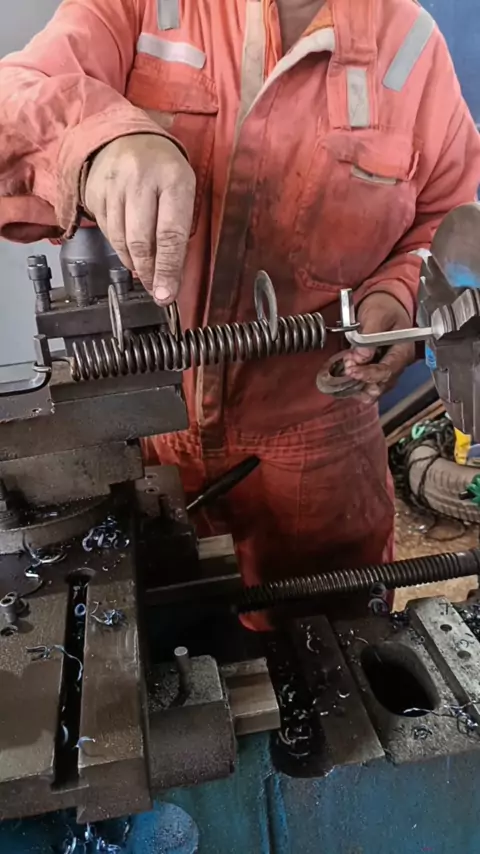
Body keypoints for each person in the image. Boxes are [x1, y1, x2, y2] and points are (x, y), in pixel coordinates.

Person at [0, 0, 479, 628]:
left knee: (333, 649)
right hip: (147, 435)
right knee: (160, 633)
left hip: (319, 454)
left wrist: (397, 294)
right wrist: (99, 141)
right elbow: (14, 99)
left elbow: (442, 218)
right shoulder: (141, 7)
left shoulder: (411, 45)